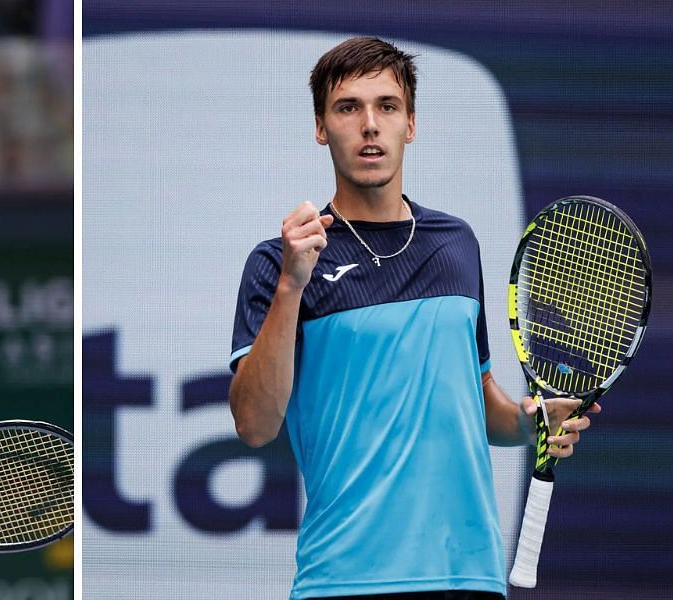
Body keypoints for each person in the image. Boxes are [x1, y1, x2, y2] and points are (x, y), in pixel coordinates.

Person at [228, 37, 598, 600]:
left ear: (411, 124)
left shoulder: (456, 244)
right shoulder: (279, 262)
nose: (369, 125)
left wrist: (530, 421)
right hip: (344, 579)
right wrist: (291, 285)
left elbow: (477, 394)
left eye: (387, 106)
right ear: (322, 128)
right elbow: (255, 425)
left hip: (468, 575)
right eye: (348, 107)